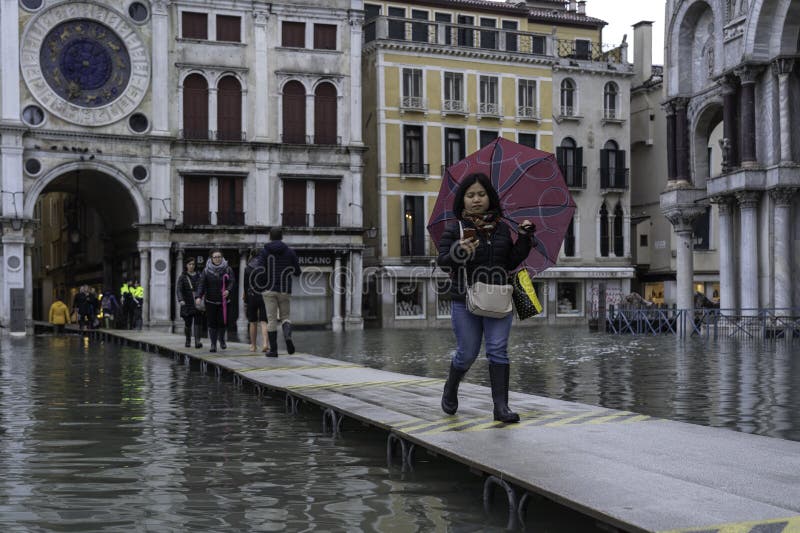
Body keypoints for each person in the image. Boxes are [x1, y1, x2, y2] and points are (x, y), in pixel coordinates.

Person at [436, 172, 534, 423]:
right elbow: (444, 261)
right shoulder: (456, 228)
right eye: (470, 195)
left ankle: (501, 408)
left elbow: (511, 260)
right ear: (463, 200)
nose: (476, 199)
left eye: (481, 194)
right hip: (465, 299)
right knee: (467, 353)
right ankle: (451, 387)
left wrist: (524, 237)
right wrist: (459, 251)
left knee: (498, 351)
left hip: (499, 298)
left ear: (490, 198)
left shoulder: (502, 228)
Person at [258, 227, 301, 357]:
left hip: (269, 289)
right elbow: (298, 272)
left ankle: (274, 350)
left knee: (271, 320)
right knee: (285, 317)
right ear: (282, 237)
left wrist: (263, 285)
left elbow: (260, 270)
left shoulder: (265, 251)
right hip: (284, 289)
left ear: (270, 236)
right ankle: (288, 337)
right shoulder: (290, 252)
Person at [196, 249, 235, 353]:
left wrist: (228, 290)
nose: (217, 259)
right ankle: (213, 344)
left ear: (222, 258)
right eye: (215, 257)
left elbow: (232, 281)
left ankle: (221, 339)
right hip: (210, 301)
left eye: (219, 257)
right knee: (212, 323)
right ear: (211, 258)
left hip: (224, 301)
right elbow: (201, 284)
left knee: (222, 322)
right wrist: (198, 296)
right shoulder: (206, 270)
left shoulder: (228, 269)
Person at [243, 249, 270, 353]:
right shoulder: (266, 266)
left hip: (251, 296)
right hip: (264, 296)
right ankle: (265, 344)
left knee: (252, 322)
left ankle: (253, 346)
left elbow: (245, 285)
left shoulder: (248, 268)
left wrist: (245, 300)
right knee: (264, 321)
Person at [176, 256, 203, 348]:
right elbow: (179, 289)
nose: (191, 266)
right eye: (189, 264)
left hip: (197, 301)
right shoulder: (182, 277)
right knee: (188, 323)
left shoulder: (199, 275)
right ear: (186, 265)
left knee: (198, 322)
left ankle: (197, 341)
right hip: (186, 302)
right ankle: (188, 340)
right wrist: (181, 299)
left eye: (193, 264)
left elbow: (202, 287)